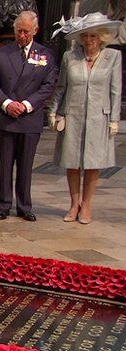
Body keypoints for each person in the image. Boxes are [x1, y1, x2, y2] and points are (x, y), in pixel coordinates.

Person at [48, 13, 122, 224]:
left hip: (100, 117)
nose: (89, 40)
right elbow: (61, 87)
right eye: (86, 36)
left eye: (94, 36)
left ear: (102, 37)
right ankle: (73, 204)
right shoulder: (70, 57)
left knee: (92, 163)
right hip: (73, 115)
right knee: (72, 162)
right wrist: (53, 112)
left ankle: (87, 205)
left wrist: (114, 119)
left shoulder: (113, 57)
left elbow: (115, 90)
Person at [0, 11, 58, 222]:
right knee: (5, 164)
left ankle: (24, 206)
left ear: (35, 31)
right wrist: (7, 104)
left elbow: (48, 86)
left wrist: (26, 105)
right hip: (6, 119)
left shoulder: (45, 55)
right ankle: (4, 204)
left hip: (29, 119)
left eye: (26, 32)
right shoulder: (2, 54)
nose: (22, 36)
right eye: (19, 31)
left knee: (26, 166)